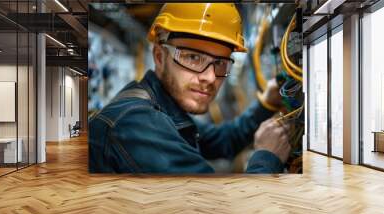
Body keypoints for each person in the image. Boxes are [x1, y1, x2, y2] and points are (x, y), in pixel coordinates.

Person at [89, 3, 291, 173]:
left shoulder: (165, 108)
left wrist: (266, 103)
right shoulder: (136, 124)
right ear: (160, 56)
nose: (210, 77)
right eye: (193, 57)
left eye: (220, 63)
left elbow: (222, 140)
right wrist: (267, 157)